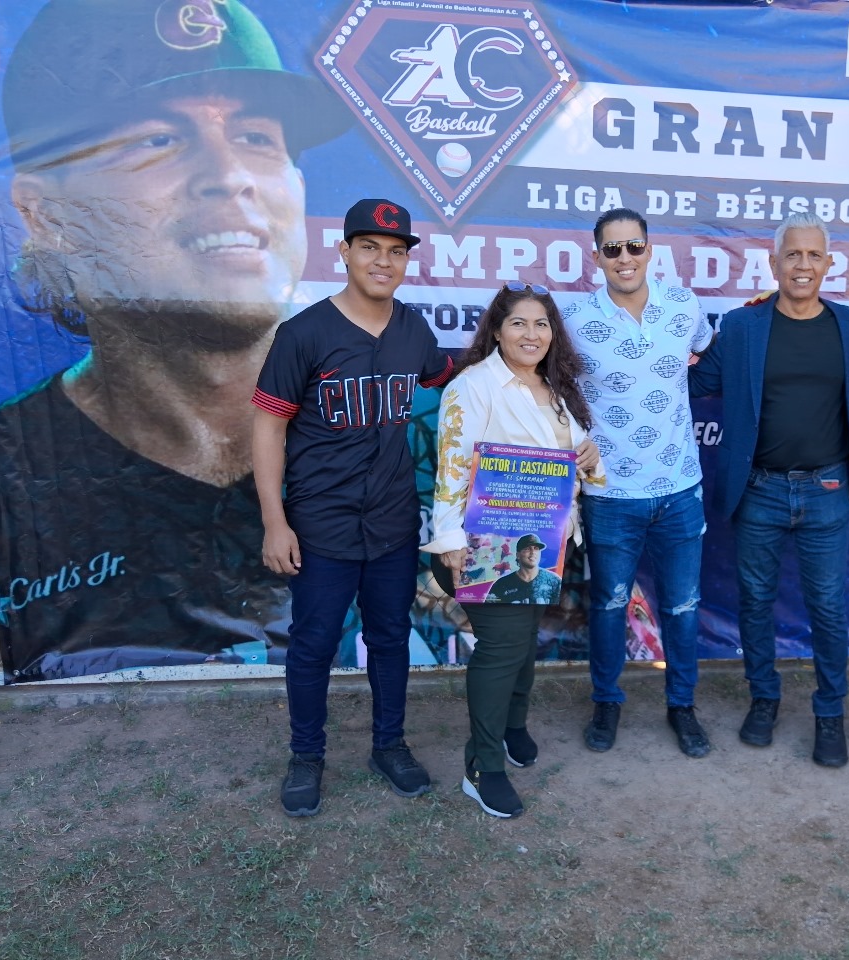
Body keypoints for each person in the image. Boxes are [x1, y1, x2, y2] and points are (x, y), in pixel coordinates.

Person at [0, 0, 349, 681]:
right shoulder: (4, 478)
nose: (229, 174)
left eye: (256, 139)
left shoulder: (400, 439)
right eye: (158, 140)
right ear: (46, 213)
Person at [252, 198, 452, 818]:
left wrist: (531, 364)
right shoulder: (304, 333)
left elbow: (458, 377)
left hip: (392, 521)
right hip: (320, 523)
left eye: (396, 251)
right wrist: (275, 521)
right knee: (312, 644)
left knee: (390, 638)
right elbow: (267, 427)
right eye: (369, 247)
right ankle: (306, 756)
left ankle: (388, 746)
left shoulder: (413, 329)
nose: (383, 261)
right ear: (343, 252)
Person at [689, 212, 849, 768]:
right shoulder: (743, 328)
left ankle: (828, 714)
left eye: (814, 255)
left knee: (827, 607)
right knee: (755, 603)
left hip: (827, 489)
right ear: (773, 262)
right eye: (793, 254)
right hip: (760, 492)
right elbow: (693, 383)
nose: (803, 265)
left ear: (828, 264)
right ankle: (764, 700)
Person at [424, 282, 603, 818]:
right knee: (502, 653)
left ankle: (510, 728)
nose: (532, 334)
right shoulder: (473, 386)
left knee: (523, 646)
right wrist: (451, 543)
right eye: (519, 323)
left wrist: (589, 456)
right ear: (497, 331)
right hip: (480, 545)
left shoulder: (556, 387)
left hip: (544, 544)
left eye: (542, 324)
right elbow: (451, 467)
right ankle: (482, 767)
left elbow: (575, 466)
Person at [561, 208, 715, 759]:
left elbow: (700, 352)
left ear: (650, 250)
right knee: (607, 604)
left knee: (681, 605)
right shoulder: (574, 318)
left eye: (634, 247)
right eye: (612, 249)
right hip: (609, 495)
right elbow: (553, 388)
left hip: (679, 487)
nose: (624, 258)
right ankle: (607, 702)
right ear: (596, 256)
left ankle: (683, 707)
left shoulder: (683, 307)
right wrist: (575, 436)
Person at [486, 535, 564, 605]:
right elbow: (489, 613)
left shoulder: (554, 582)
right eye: (527, 549)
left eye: (536, 548)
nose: (533, 552)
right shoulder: (501, 585)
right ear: (518, 555)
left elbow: (561, 613)